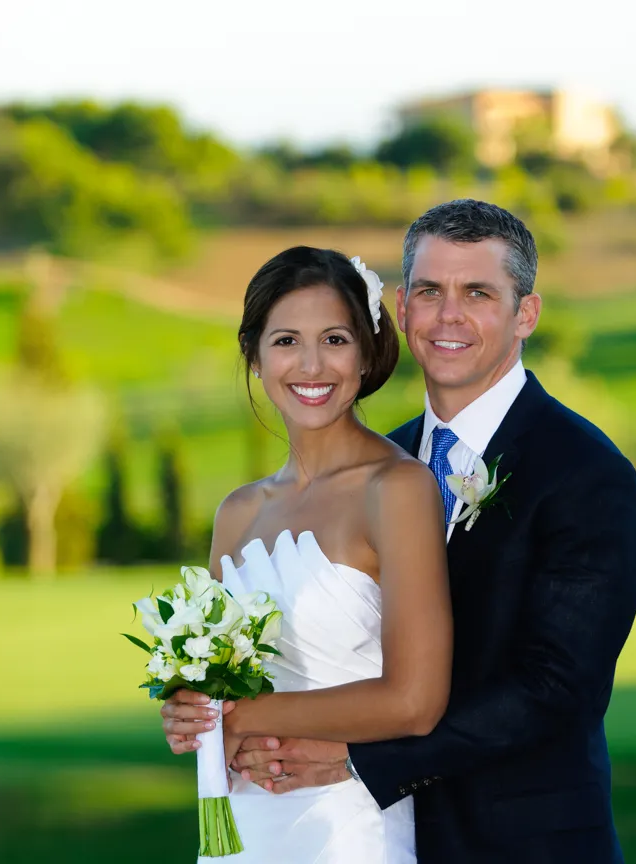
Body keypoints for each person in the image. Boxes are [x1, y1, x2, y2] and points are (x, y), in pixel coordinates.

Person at [165, 200, 636, 863]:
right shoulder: (379, 461)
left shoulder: (586, 473)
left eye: (477, 292)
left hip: (518, 841)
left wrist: (361, 760)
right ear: (401, 309)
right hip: (294, 821)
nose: (448, 314)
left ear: (526, 314)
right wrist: (201, 711)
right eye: (429, 291)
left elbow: (556, 691)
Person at [168, 245, 451, 863]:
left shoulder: (397, 490)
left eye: (335, 339)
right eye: (287, 340)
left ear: (367, 351)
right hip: (243, 823)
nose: (312, 365)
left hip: (345, 828)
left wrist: (243, 716)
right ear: (256, 354)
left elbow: (416, 702)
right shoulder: (237, 513)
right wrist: (191, 712)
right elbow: (215, 680)